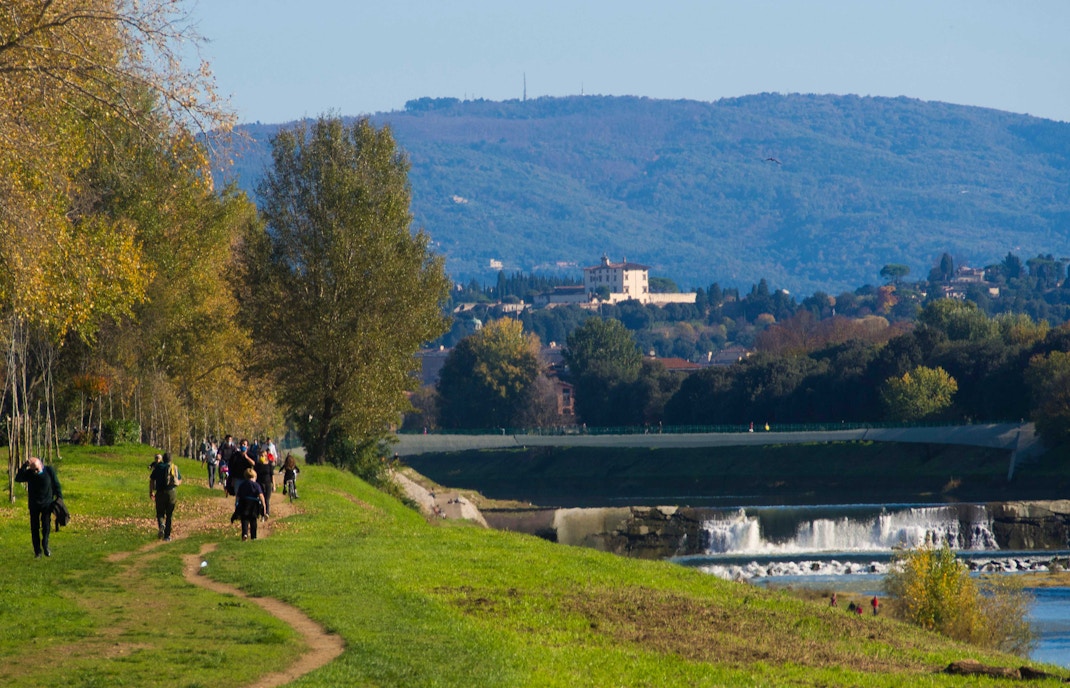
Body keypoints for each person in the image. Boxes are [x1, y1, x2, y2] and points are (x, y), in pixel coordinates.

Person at [15, 457, 62, 558]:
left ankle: (45, 545)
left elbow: (56, 484)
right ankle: (37, 551)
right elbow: (18, 478)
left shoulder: (49, 471)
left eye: (37, 469)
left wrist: (59, 498)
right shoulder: (29, 473)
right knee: (34, 528)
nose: (35, 472)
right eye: (33, 470)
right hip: (34, 505)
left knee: (46, 526)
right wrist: (24, 466)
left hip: (47, 504)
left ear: (41, 465)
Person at [149, 452, 182, 541]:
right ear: (171, 459)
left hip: (160, 493)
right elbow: (179, 480)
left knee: (160, 513)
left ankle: (161, 525)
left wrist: (151, 491)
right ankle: (167, 536)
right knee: (169, 514)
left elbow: (152, 479)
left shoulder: (158, 467)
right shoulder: (173, 467)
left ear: (163, 459)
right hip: (171, 493)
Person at [232, 467, 266, 541]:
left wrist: (237, 504)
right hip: (254, 504)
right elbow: (261, 495)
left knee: (244, 519)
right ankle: (253, 536)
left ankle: (245, 533)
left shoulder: (242, 485)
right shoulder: (256, 485)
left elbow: (238, 496)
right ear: (254, 477)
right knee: (253, 520)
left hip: (244, 503)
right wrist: (264, 505)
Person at [254, 452, 275, 517]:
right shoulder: (257, 465)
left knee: (267, 499)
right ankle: (261, 512)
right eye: (261, 455)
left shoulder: (269, 465)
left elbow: (272, 475)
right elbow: (255, 475)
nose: (262, 457)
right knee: (260, 499)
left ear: (266, 456)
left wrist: (274, 485)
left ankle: (267, 513)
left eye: (263, 455)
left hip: (268, 484)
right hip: (259, 484)